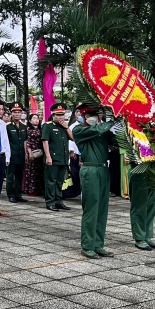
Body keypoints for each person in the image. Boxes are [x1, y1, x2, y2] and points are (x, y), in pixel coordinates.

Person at [72, 106, 117, 258]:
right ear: (83, 116)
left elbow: (115, 141)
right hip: (90, 170)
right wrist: (112, 122)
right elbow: (96, 131)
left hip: (104, 169)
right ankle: (87, 245)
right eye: (89, 115)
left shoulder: (102, 129)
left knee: (102, 209)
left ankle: (98, 244)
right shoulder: (79, 130)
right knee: (91, 209)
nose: (93, 117)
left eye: (96, 114)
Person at [42, 104, 73, 212]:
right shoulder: (48, 125)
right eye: (58, 115)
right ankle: (50, 202)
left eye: (62, 115)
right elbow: (45, 142)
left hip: (63, 158)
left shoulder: (64, 126)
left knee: (60, 181)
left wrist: (66, 127)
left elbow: (73, 138)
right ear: (53, 114)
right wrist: (48, 157)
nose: (61, 117)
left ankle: (58, 200)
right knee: (51, 181)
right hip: (52, 159)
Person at [129, 170, 155, 250]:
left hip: (152, 172)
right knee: (139, 207)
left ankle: (147, 236)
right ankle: (139, 238)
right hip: (139, 171)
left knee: (152, 205)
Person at [6, 103, 28, 203]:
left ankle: (18, 193)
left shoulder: (24, 126)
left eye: (19, 112)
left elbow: (25, 141)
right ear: (11, 114)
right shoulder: (7, 126)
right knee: (10, 176)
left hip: (21, 154)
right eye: (15, 112)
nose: (17, 114)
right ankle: (10, 194)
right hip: (11, 154)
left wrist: (26, 153)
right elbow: (6, 142)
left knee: (19, 175)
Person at [24, 113, 45, 197]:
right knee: (31, 172)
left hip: (41, 152)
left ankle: (40, 189)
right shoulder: (28, 129)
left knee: (40, 172)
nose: (36, 120)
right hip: (32, 152)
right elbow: (27, 142)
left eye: (37, 118)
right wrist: (29, 152)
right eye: (34, 118)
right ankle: (31, 190)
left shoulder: (41, 129)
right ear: (30, 120)